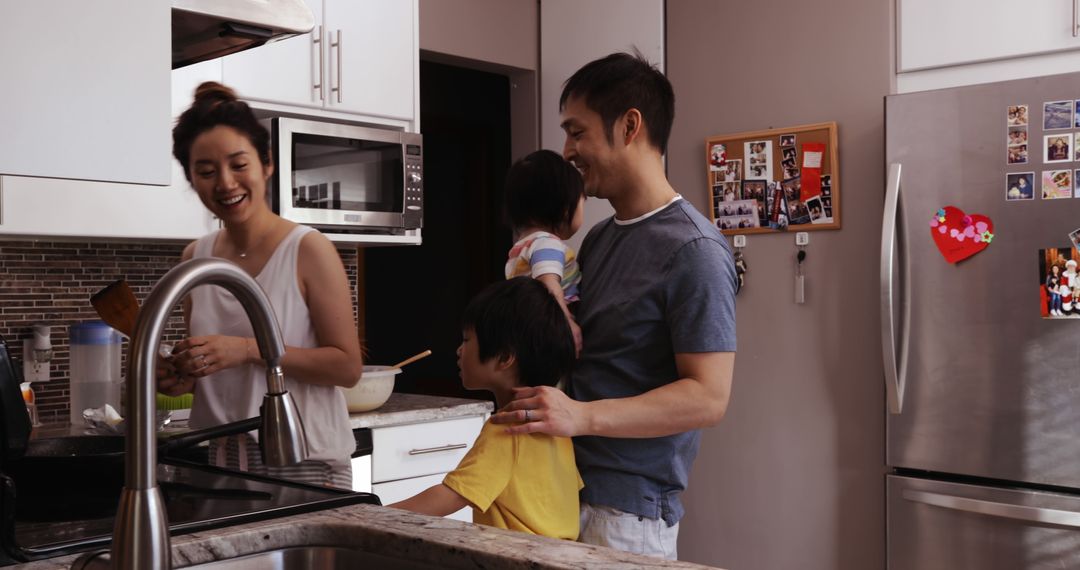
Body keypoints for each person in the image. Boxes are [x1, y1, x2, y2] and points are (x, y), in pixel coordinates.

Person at [491, 51, 737, 560]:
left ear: (629, 126)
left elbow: (708, 398)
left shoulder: (695, 252)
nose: (567, 151)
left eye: (577, 132)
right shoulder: (598, 241)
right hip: (560, 490)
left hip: (626, 516)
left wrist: (581, 416)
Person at [159, 82, 363, 488]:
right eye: (205, 171)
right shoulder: (194, 258)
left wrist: (250, 350)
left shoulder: (309, 250)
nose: (225, 183)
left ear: (266, 163)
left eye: (238, 164)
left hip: (303, 458)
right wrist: (183, 374)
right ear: (191, 179)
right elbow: (212, 370)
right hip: (219, 459)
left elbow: (346, 366)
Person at [389, 277, 582, 539]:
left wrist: (369, 517)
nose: (459, 350)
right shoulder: (556, 425)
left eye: (467, 340)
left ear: (504, 357)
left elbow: (450, 496)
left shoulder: (507, 428)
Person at [502, 149, 586, 353]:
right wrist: (566, 324)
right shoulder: (547, 244)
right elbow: (548, 286)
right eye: (583, 201)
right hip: (550, 335)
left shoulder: (520, 248)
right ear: (566, 208)